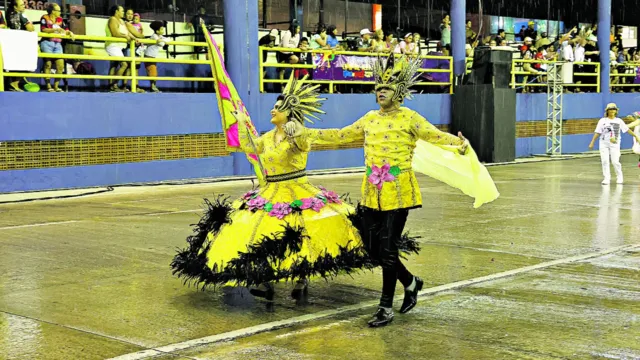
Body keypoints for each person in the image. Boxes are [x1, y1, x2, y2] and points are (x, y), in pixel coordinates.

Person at [289, 55, 498, 327]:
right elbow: (340, 135)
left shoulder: (410, 118)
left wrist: (458, 144)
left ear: (398, 92)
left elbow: (433, 135)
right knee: (373, 249)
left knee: (387, 250)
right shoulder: (369, 119)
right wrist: (305, 133)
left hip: (399, 192)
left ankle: (385, 307)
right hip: (370, 193)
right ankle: (411, 282)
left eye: (386, 88)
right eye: (378, 88)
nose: (380, 92)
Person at [170, 74, 410, 302]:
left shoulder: (297, 135)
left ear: (290, 114)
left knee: (300, 233)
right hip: (270, 192)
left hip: (297, 191)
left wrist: (298, 132)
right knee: (263, 233)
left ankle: (301, 276)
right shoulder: (268, 137)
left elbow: (305, 143)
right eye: (274, 107)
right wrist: (242, 123)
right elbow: (250, 147)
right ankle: (264, 278)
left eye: (279, 108)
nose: (273, 110)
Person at [589, 103, 640, 185]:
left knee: (615, 161)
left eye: (614, 109)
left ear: (616, 111)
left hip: (615, 144)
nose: (612, 111)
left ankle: (619, 177)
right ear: (607, 111)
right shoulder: (602, 121)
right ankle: (606, 178)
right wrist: (592, 142)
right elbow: (597, 132)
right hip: (603, 143)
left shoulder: (619, 121)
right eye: (610, 109)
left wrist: (636, 136)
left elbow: (627, 129)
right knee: (605, 161)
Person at [39, 3, 74, 92]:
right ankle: (48, 86)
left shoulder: (60, 19)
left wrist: (70, 32)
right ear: (53, 11)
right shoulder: (45, 17)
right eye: (58, 10)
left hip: (58, 44)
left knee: (60, 65)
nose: (60, 12)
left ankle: (56, 86)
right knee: (48, 64)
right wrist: (56, 29)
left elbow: (65, 29)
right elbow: (43, 29)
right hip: (47, 43)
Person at [144, 21, 168, 93]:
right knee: (153, 72)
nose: (163, 31)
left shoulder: (159, 36)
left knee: (153, 72)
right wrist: (162, 41)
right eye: (161, 29)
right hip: (148, 56)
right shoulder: (154, 36)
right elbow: (161, 44)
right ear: (157, 31)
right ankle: (153, 86)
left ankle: (153, 86)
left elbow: (167, 39)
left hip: (152, 57)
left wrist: (163, 40)